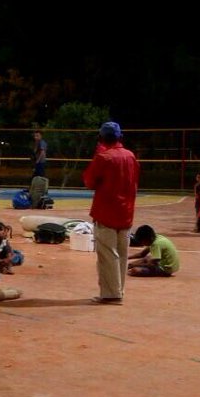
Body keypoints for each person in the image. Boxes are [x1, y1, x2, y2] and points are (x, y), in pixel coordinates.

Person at [83, 122, 140, 304]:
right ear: (119, 137)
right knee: (122, 254)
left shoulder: (103, 157)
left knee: (108, 255)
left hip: (106, 211)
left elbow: (90, 181)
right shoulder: (130, 156)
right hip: (126, 212)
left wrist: (97, 155)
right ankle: (119, 290)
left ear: (101, 138)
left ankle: (111, 294)